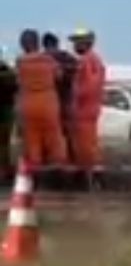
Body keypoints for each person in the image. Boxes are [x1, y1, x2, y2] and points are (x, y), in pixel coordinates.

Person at [14, 31, 67, 168]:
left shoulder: (20, 62)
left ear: (23, 45)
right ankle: (58, 166)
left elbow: (18, 81)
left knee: (32, 138)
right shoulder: (49, 60)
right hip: (48, 103)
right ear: (37, 43)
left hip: (28, 104)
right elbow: (59, 76)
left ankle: (35, 168)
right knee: (53, 136)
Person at [69, 28, 106, 174]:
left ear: (85, 43)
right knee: (88, 143)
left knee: (86, 145)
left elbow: (89, 86)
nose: (74, 46)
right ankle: (91, 173)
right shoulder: (94, 59)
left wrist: (76, 97)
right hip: (89, 108)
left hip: (84, 109)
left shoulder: (88, 60)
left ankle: (92, 175)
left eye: (76, 42)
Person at [41, 32, 76, 155]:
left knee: (49, 131)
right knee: (67, 131)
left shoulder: (42, 59)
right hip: (64, 99)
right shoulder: (66, 57)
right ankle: (71, 157)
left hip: (49, 101)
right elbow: (75, 69)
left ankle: (50, 158)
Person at [0, 46, 16, 165]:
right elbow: (15, 87)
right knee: (4, 141)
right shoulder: (7, 70)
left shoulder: (6, 69)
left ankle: (4, 168)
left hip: (5, 108)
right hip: (6, 108)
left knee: (3, 141)